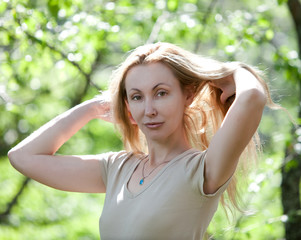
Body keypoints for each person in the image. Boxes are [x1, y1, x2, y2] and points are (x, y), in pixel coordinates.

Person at [8, 42, 274, 240]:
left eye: (161, 93)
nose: (149, 109)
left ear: (188, 96)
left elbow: (252, 98)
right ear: (127, 105)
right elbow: (22, 157)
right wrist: (90, 109)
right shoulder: (116, 169)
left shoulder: (202, 170)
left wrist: (231, 70)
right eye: (137, 97)